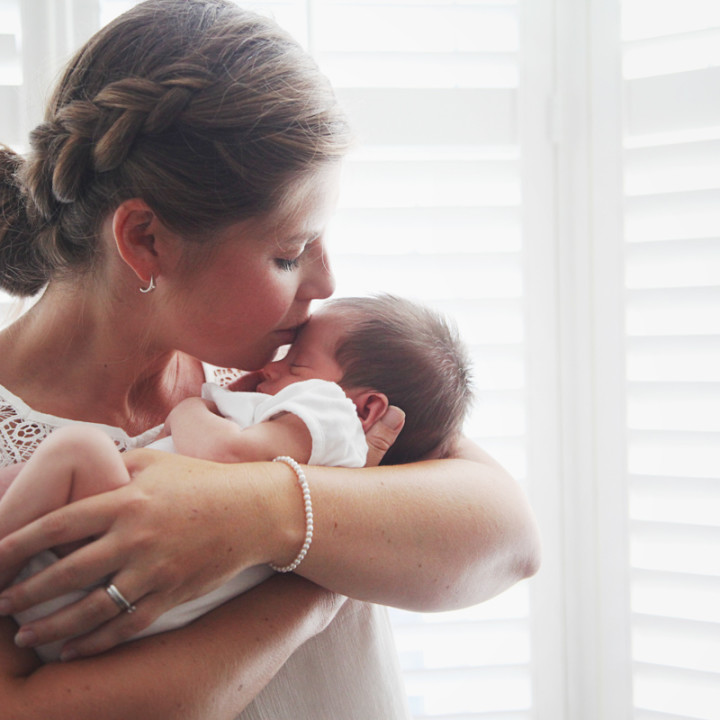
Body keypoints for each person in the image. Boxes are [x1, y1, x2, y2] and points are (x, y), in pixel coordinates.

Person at [0, 1, 541, 718]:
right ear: (145, 240)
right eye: (288, 253)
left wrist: (254, 513)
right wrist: (315, 587)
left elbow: (507, 537)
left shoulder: (281, 373)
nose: (326, 284)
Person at [0, 293, 475, 662]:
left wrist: (188, 408)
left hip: (104, 575)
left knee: (80, 450)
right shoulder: (333, 462)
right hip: (107, 615)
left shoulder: (333, 416)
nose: (271, 368)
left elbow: (223, 452)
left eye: (296, 364)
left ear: (366, 408)